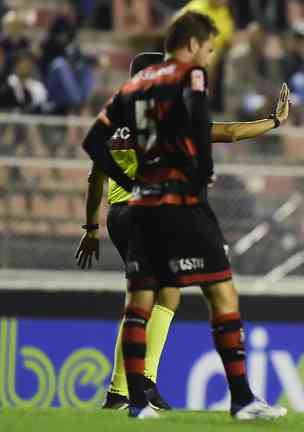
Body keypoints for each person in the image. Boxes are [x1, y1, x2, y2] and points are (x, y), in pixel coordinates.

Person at [80, 11, 289, 420]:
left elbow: (94, 177)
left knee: (154, 295)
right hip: (157, 210)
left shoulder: (118, 115)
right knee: (196, 292)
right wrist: (273, 121)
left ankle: (133, 390)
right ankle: (130, 388)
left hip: (119, 214)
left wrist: (90, 227)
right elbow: (224, 132)